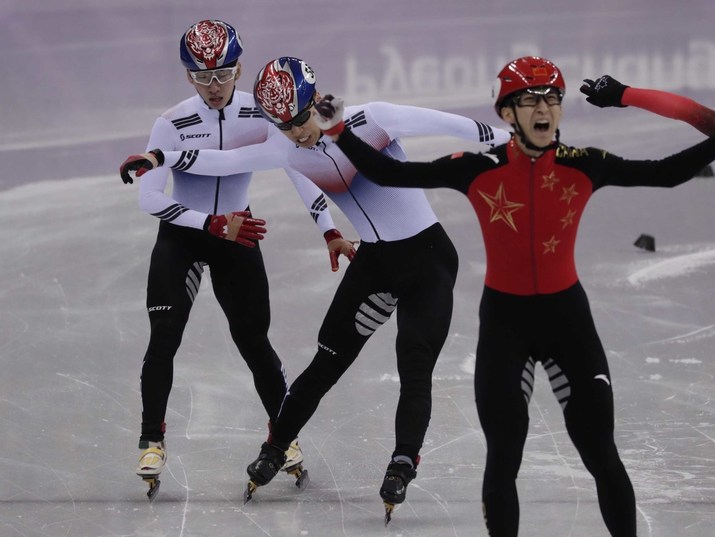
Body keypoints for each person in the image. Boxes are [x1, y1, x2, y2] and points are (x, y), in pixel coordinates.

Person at [311, 57, 715, 536]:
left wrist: (634, 98)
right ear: (508, 114)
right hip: (506, 327)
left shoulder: (584, 164)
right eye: (529, 100)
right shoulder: (477, 168)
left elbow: (666, 173)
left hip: (568, 323)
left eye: (552, 99)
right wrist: (339, 131)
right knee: (503, 460)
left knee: (601, 453)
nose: (543, 108)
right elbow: (394, 174)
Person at [119, 56, 512, 517]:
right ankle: (276, 447)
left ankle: (403, 463)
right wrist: (158, 157)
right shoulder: (287, 148)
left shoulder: (373, 120)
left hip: (428, 260)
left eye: (302, 120)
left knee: (415, 362)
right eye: (284, 127)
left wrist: (516, 146)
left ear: (316, 100)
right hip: (373, 262)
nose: (299, 134)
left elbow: (460, 126)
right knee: (325, 361)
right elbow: (223, 158)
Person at [126, 22, 352, 499]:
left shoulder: (265, 113)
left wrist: (328, 228)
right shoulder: (170, 122)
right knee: (164, 337)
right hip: (185, 235)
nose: (214, 86)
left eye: (224, 73)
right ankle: (151, 439)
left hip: (237, 234)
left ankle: (281, 434)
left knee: (254, 343)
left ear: (240, 68)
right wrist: (207, 223)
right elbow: (148, 198)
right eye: (202, 77)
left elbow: (300, 168)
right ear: (187, 76)